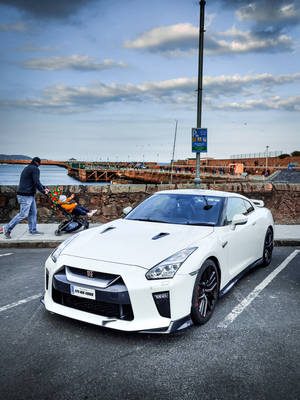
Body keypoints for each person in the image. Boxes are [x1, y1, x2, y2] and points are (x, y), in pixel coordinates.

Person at [1, 157, 49, 239]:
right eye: (40, 164)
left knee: (33, 212)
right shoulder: (35, 169)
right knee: (23, 214)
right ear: (38, 163)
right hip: (25, 195)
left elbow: (36, 181)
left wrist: (44, 188)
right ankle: (7, 229)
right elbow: (36, 182)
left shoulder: (27, 168)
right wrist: (43, 191)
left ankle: (33, 230)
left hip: (28, 195)